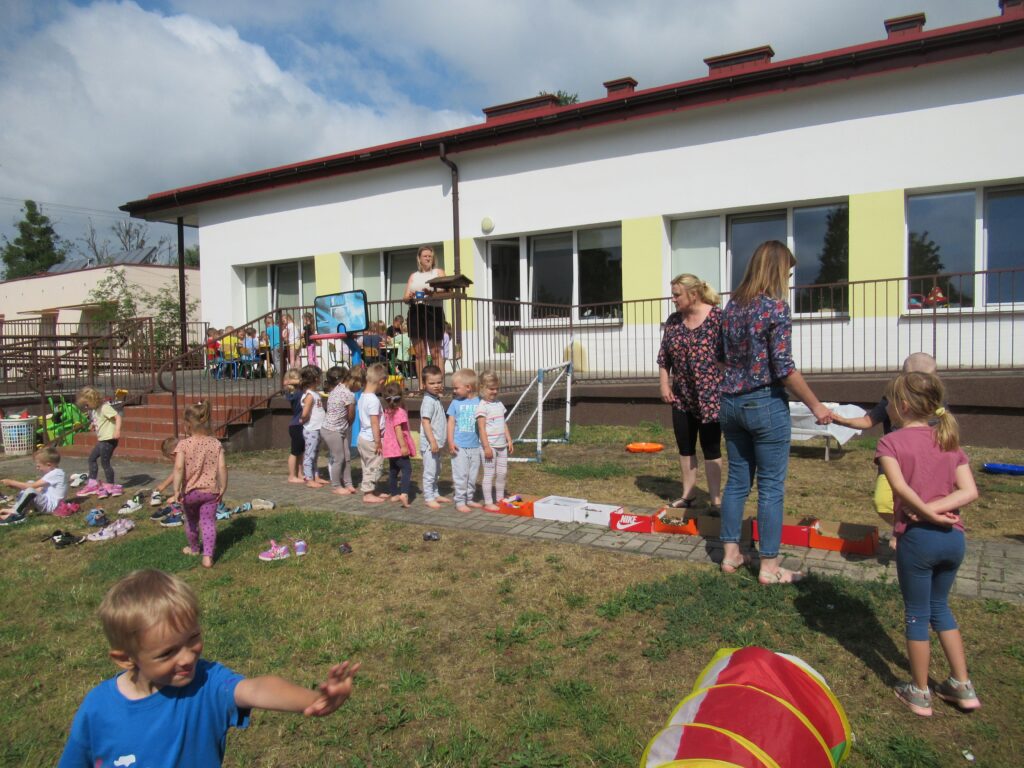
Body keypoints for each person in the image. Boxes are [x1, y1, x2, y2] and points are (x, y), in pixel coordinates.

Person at [57, 568, 359, 768]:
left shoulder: (206, 683)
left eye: (193, 639)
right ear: (126, 659)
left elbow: (255, 689)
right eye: (168, 653)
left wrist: (314, 700)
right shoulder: (97, 709)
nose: (187, 658)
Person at [717, 240, 831, 585]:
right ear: (778, 270)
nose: (790, 278)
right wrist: (816, 406)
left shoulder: (731, 307)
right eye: (789, 271)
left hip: (730, 404)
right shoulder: (775, 308)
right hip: (764, 403)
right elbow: (783, 367)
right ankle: (769, 565)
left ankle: (730, 554)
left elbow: (722, 357)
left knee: (737, 482)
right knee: (770, 487)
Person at [875, 371, 981, 717]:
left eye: (888, 401)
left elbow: (901, 489)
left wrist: (925, 515)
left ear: (903, 406)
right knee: (941, 608)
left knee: (917, 614)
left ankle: (919, 692)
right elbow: (969, 491)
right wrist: (938, 512)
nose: (886, 407)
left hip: (918, 542)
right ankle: (962, 686)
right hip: (954, 540)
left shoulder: (890, 443)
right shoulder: (949, 440)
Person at [831, 352, 938, 531]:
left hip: (922, 464)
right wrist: (839, 420)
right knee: (883, 501)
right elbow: (869, 420)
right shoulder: (892, 398)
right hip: (893, 461)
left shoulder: (937, 402)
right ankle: (904, 527)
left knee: (917, 502)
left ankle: (911, 533)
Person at [657, 273, 724, 512]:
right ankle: (688, 495)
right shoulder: (674, 321)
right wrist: (664, 385)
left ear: (693, 294)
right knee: (685, 446)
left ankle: (716, 499)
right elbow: (664, 358)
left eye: (677, 295)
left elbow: (731, 357)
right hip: (682, 397)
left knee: (711, 447)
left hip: (710, 398)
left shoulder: (717, 317)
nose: (673, 299)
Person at [173, 401, 227, 569]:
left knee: (191, 521)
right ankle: (208, 557)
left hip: (190, 493)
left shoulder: (183, 445)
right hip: (210, 492)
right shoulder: (216, 443)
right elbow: (222, 467)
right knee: (208, 522)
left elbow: (179, 467)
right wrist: (223, 487)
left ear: (187, 425)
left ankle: (195, 548)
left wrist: (176, 490)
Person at [403, 245, 447, 388]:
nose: (428, 258)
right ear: (419, 259)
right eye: (425, 256)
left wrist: (431, 294)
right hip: (416, 311)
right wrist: (409, 296)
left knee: (435, 352)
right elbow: (404, 298)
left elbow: (447, 291)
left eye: (430, 256)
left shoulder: (439, 272)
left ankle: (438, 385)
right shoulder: (413, 276)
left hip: (433, 312)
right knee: (419, 353)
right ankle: (422, 386)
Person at [75, 386, 123, 499]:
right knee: (91, 459)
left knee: (105, 462)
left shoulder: (105, 407)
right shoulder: (95, 409)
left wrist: (117, 430)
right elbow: (99, 420)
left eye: (87, 404)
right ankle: (92, 483)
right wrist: (93, 424)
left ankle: (110, 484)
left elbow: (118, 417)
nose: (86, 407)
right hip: (102, 440)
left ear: (92, 400)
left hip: (109, 439)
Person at [476, 371, 514, 512]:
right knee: (489, 474)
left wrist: (509, 439)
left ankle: (499, 498)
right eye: (491, 389)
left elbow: (503, 423)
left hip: (501, 445)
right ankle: (488, 502)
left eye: (497, 388)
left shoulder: (499, 403)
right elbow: (481, 428)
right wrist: (486, 447)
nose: (495, 391)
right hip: (490, 446)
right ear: (482, 388)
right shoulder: (482, 406)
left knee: (502, 473)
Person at [0, 446, 67, 524]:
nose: (37, 468)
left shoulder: (56, 473)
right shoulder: (54, 473)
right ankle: (16, 508)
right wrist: (16, 486)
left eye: (39, 466)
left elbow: (31, 487)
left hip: (52, 506)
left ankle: (15, 514)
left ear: (49, 465)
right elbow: (38, 487)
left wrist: (11, 482)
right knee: (30, 483)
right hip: (47, 501)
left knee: (30, 491)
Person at [447, 367, 482, 513]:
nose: (454, 391)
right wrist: (450, 441)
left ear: (468, 387)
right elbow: (451, 422)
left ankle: (469, 498)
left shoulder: (480, 401)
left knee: (473, 474)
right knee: (460, 474)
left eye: (456, 388)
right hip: (459, 446)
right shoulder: (455, 403)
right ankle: (460, 501)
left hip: (475, 446)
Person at [321, 365, 357, 496]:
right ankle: (336, 486)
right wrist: (348, 426)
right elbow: (351, 414)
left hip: (337, 428)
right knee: (339, 458)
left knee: (346, 456)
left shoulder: (335, 389)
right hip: (332, 430)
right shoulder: (348, 394)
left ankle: (348, 483)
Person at [419, 365, 450, 509]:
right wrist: (432, 441)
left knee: (437, 469)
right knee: (430, 471)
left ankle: (435, 492)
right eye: (432, 383)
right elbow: (425, 422)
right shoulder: (428, 402)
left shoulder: (435, 398)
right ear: (424, 384)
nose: (436, 385)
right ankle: (428, 497)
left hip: (437, 443)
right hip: (430, 444)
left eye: (439, 382)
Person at [356, 363, 388, 504]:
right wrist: (378, 441)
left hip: (363, 437)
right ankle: (368, 493)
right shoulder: (374, 400)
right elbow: (374, 422)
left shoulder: (362, 396)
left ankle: (371, 489)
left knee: (367, 465)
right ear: (381, 382)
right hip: (371, 439)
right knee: (376, 465)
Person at [380, 382, 416, 508]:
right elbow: (398, 430)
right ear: (401, 396)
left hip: (390, 448)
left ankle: (394, 493)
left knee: (393, 470)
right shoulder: (399, 412)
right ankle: (404, 493)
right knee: (407, 469)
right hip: (398, 447)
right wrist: (404, 446)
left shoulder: (387, 411)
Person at [299, 365, 328, 488]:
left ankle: (315, 476)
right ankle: (308, 478)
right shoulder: (310, 395)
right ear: (315, 379)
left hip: (317, 428)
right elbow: (305, 412)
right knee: (310, 454)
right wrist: (303, 419)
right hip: (311, 429)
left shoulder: (315, 394)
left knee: (315, 454)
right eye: (320, 377)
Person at [283, 368, 305, 484]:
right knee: (295, 452)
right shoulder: (296, 393)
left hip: (299, 424)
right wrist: (293, 381)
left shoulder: (296, 392)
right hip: (296, 425)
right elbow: (287, 383)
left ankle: (300, 473)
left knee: (301, 452)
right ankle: (292, 475)